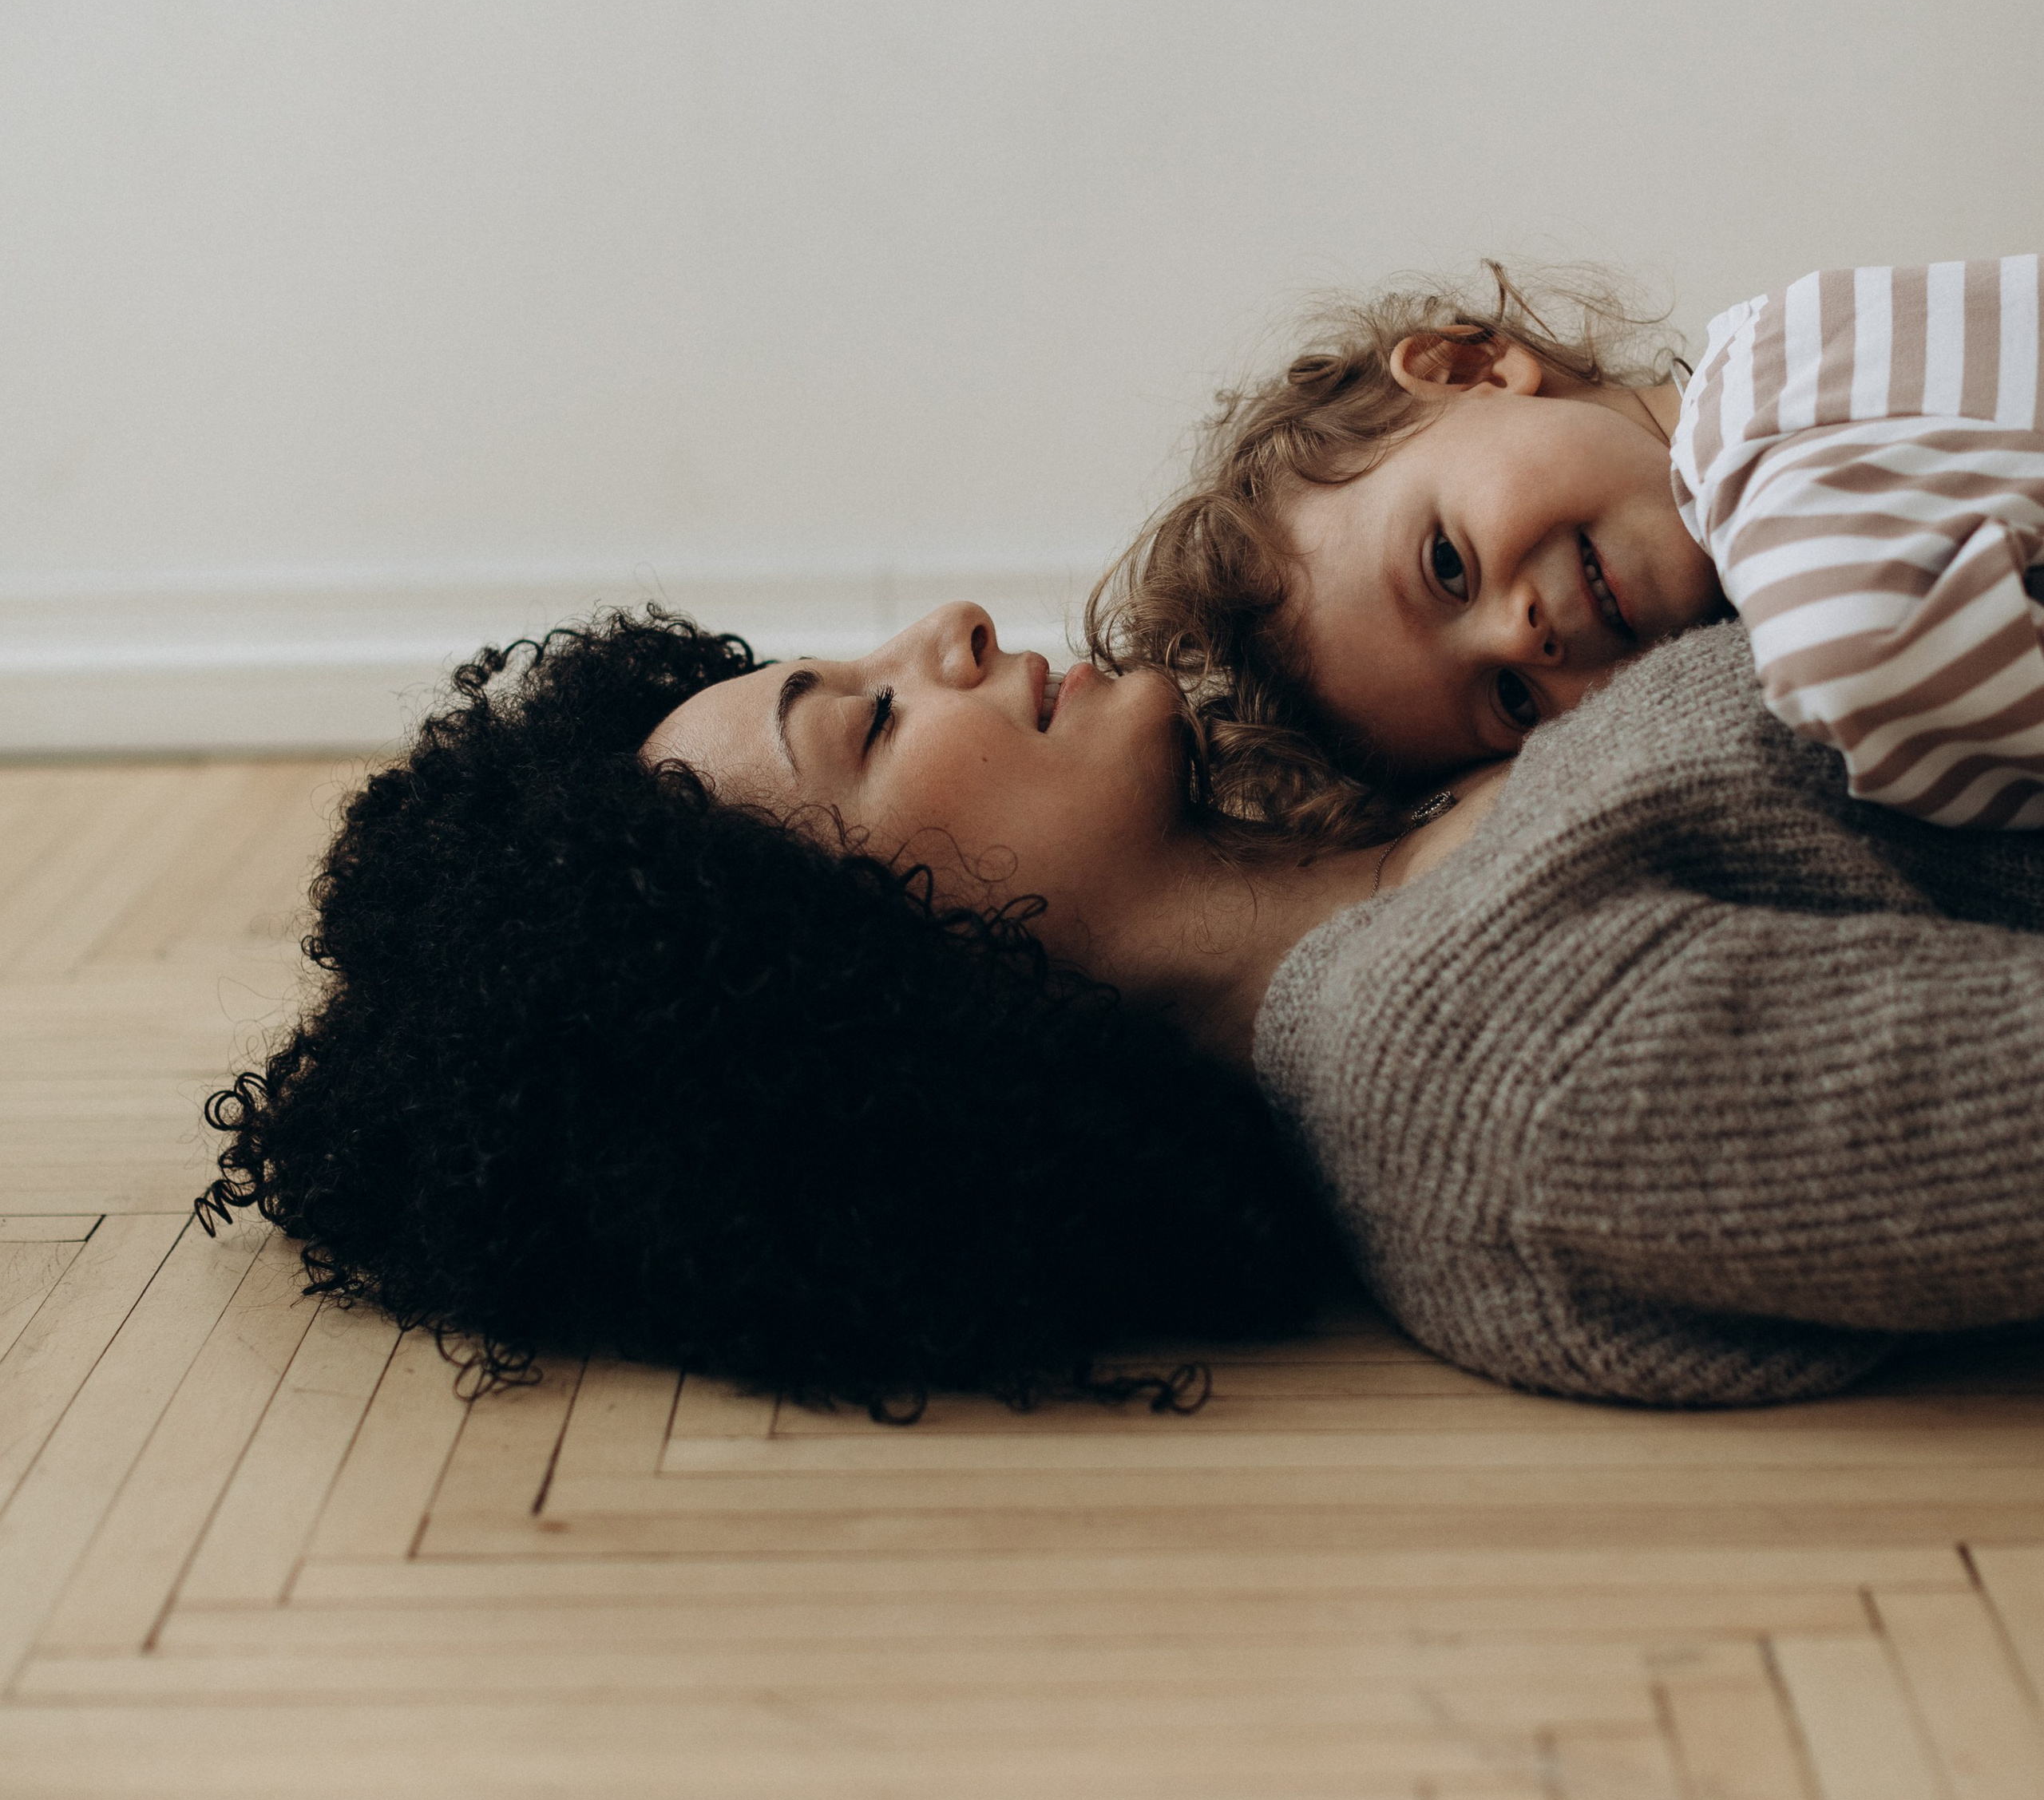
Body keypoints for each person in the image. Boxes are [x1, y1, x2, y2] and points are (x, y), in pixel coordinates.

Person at [203, 595, 2044, 1414]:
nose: (943, 627)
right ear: (882, 991)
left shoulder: (1396, 763)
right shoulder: (1491, 1075)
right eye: (865, 718)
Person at [1090, 257, 2044, 841]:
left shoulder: (1771, 419)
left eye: (1447, 567)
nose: (1520, 638)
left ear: (1469, 367)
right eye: (1510, 700)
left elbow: (1859, 662)